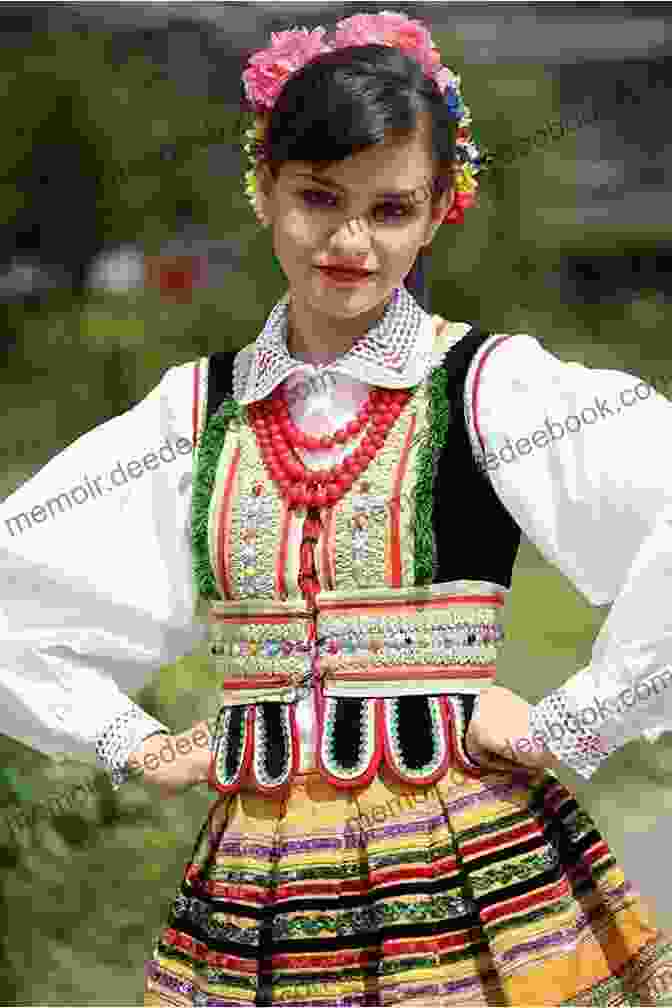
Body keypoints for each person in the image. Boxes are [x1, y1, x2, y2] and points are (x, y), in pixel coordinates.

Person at [2, 11, 672, 1006]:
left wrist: (568, 725)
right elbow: (18, 591)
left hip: (472, 867)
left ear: (441, 207)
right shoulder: (197, 415)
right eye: (319, 198)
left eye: (391, 208)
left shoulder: (490, 390)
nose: (351, 240)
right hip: (257, 887)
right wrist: (129, 740)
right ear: (265, 191)